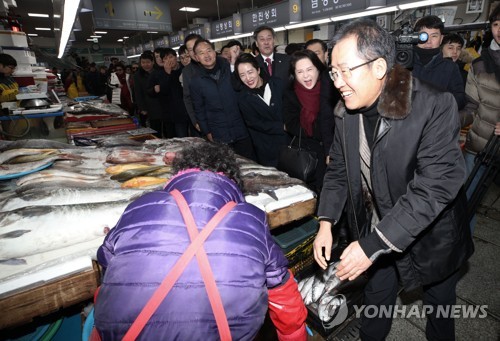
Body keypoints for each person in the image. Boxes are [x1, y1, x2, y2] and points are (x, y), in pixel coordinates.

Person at [313, 19, 473, 341]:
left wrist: (371, 244)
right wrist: (326, 221)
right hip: (377, 228)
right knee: (375, 302)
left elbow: (436, 184)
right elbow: (339, 170)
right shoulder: (346, 112)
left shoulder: (432, 105)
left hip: (432, 235)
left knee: (439, 309)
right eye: (333, 73)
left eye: (346, 70)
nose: (338, 82)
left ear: (379, 67)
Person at [93, 142, 307, 340]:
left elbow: (106, 261)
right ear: (233, 181)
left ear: (179, 173)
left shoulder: (140, 205)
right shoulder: (252, 218)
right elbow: (284, 294)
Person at [461, 4, 500, 233]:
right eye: (496, 24)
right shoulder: (478, 64)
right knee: (467, 199)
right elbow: (471, 106)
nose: (499, 30)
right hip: (479, 147)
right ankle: (461, 246)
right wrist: (449, 120)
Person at [190, 38, 256, 161]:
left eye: (209, 50)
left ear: (215, 52)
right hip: (218, 133)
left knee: (249, 164)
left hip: (241, 128)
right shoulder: (196, 81)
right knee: (226, 167)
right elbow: (199, 109)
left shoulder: (229, 68)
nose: (207, 55)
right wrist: (207, 132)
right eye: (201, 53)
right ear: (196, 57)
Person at [283, 50, 335, 193]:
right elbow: (291, 124)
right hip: (308, 154)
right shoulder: (290, 93)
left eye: (309, 69)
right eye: (300, 72)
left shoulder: (333, 88)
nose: (305, 76)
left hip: (333, 150)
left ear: (318, 68)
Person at [234, 53, 287, 167]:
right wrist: (282, 127)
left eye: (250, 72)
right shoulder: (243, 98)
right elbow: (255, 123)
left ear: (258, 70)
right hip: (266, 149)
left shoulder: (277, 84)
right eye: (242, 75)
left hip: (289, 144)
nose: (248, 78)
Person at [412, 15, 466, 109]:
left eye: (434, 36)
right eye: (423, 36)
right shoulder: (404, 64)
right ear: (415, 37)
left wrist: (436, 106)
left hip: (437, 121)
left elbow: (460, 99)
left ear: (441, 39)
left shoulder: (450, 67)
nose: (428, 41)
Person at [181, 33, 204, 135]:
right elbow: (187, 97)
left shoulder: (220, 63)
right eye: (190, 49)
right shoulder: (187, 71)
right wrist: (195, 121)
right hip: (202, 119)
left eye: (196, 46)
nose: (194, 51)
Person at [133, 52, 155, 127]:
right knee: (150, 126)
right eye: (143, 62)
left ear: (153, 62)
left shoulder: (157, 72)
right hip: (146, 105)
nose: (146, 65)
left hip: (159, 105)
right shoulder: (137, 75)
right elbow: (138, 93)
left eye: (148, 62)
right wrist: (142, 108)